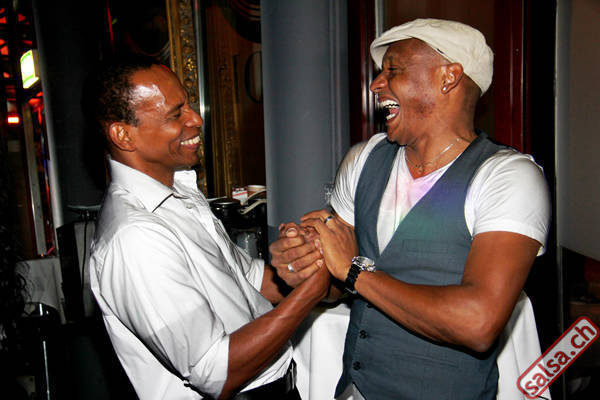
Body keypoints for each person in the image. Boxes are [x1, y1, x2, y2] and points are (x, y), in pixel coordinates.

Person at [270, 18, 551, 400]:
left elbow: (478, 322)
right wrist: (302, 264)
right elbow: (333, 285)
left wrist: (355, 273)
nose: (375, 85)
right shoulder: (363, 159)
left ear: (449, 77)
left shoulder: (508, 178)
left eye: (393, 70)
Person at [87, 55, 330, 400]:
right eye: (176, 114)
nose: (196, 119)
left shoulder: (181, 193)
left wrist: (305, 261)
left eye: (188, 104)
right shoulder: (134, 237)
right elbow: (215, 371)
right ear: (124, 135)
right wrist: (311, 292)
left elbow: (250, 281)